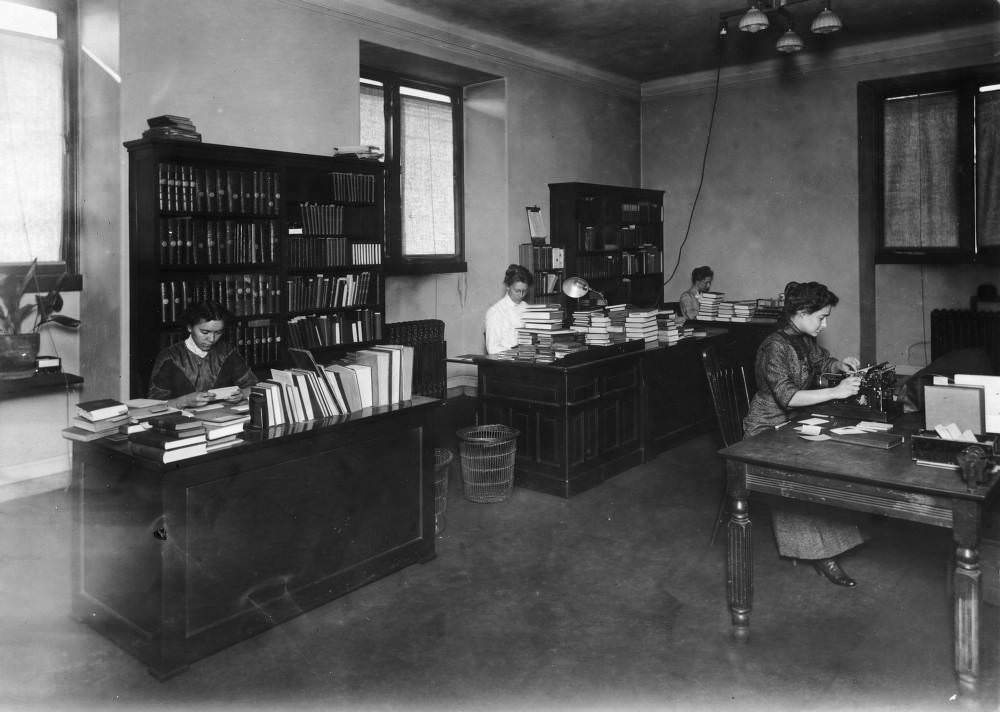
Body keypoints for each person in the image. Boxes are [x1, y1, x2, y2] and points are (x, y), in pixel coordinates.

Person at [743, 281, 864, 587]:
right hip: (765, 429)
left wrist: (840, 365)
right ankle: (822, 555)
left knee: (832, 456)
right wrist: (836, 391)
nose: (825, 324)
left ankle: (827, 546)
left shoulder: (803, 339)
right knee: (802, 473)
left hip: (791, 422)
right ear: (800, 313)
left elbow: (821, 361)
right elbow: (788, 397)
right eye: (821, 317)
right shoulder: (774, 346)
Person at [147, 300, 257, 409]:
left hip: (222, 416)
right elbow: (154, 405)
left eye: (218, 332)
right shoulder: (170, 357)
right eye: (205, 332)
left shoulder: (227, 352)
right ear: (189, 327)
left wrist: (242, 394)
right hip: (183, 418)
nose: (212, 339)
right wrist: (184, 401)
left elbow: (255, 387)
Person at [484, 264, 533, 354]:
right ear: (507, 287)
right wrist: (517, 352)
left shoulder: (527, 308)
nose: (521, 295)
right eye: (517, 291)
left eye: (524, 291)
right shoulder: (496, 312)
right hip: (506, 360)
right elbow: (492, 348)